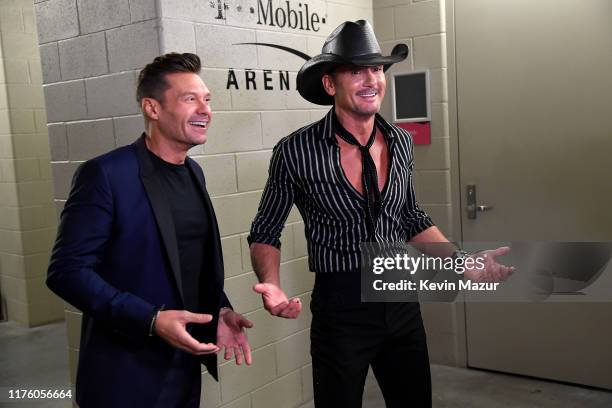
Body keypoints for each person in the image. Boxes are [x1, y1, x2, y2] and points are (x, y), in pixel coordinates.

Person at [248, 21, 514, 407]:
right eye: (356, 71)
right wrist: (270, 282)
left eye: (376, 68)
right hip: (341, 306)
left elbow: (410, 216)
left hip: (399, 293)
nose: (371, 79)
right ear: (329, 84)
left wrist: (462, 263)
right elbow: (265, 230)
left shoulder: (401, 141)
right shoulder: (295, 151)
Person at [47, 53, 253, 408]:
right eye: (190, 99)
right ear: (152, 108)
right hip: (125, 375)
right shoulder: (106, 175)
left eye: (207, 99)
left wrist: (218, 309)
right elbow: (66, 272)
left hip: (184, 365)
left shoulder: (193, 174)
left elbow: (186, 261)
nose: (205, 109)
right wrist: (151, 319)